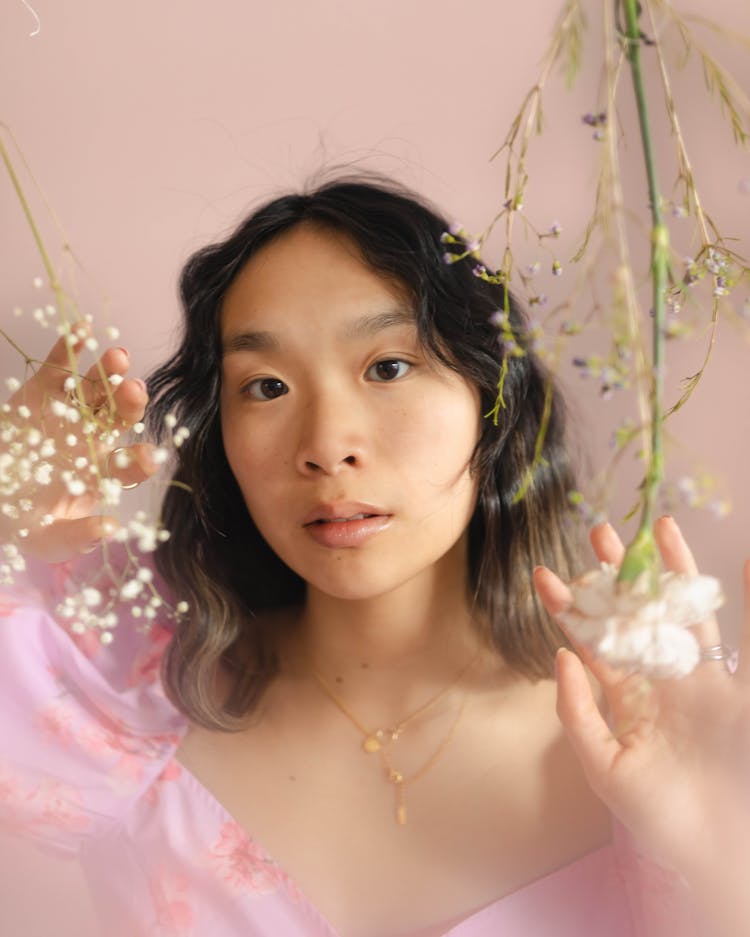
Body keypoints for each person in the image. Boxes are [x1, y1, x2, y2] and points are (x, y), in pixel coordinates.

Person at [0, 177, 748, 937]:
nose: (326, 445)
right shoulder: (120, 691)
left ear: (492, 403)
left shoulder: (649, 744)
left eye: (388, 367)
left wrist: (717, 842)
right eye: (266, 386)